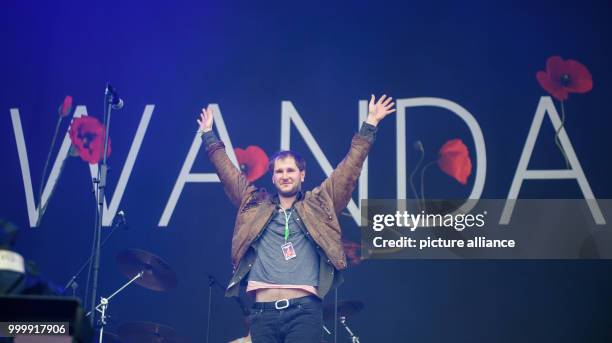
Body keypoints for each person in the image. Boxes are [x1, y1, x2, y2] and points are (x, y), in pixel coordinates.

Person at [197, 95, 395, 342]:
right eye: (279, 171)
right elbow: (227, 174)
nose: (285, 175)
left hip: (304, 312)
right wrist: (208, 136)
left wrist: (370, 125)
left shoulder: (320, 203)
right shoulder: (253, 203)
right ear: (272, 178)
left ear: (302, 174)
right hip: (262, 313)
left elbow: (348, 170)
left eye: (290, 170)